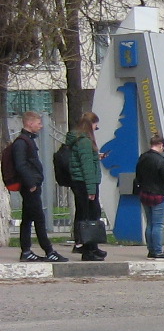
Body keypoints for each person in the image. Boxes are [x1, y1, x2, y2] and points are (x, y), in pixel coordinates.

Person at [12, 112, 65, 262]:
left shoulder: (28, 140)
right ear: (29, 123)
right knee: (39, 218)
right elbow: (21, 165)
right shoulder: (21, 143)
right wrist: (31, 184)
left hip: (32, 186)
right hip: (30, 187)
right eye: (38, 123)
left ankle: (26, 251)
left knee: (27, 219)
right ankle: (49, 251)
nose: (41, 126)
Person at [64, 111, 106, 261]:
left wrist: (96, 156)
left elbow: (86, 160)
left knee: (85, 214)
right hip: (85, 183)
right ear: (90, 124)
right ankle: (88, 250)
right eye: (96, 125)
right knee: (90, 215)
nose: (96, 128)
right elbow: (87, 166)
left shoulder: (79, 139)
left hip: (80, 181)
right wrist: (91, 190)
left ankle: (90, 246)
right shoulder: (85, 141)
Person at [134, 132, 164, 259]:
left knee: (150, 223)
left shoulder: (143, 157)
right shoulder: (161, 160)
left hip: (144, 193)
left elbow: (138, 175)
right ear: (161, 145)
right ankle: (158, 250)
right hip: (157, 195)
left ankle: (151, 249)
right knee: (157, 224)